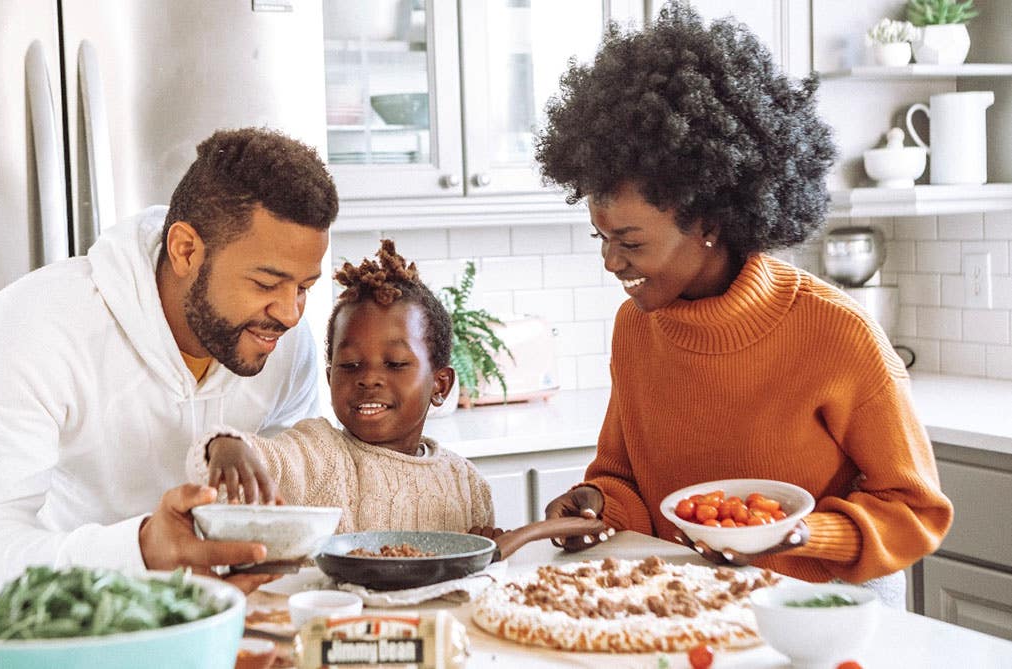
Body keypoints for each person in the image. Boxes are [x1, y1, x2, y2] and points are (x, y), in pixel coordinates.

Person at [538, 3, 952, 608]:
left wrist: (799, 533)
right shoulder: (637, 327)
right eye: (600, 238)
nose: (610, 262)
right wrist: (597, 503)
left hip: (817, 611)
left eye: (629, 242)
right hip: (685, 602)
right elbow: (624, 480)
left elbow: (914, 509)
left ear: (708, 221)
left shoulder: (836, 333)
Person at [0, 127, 339, 610]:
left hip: (159, 593)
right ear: (186, 250)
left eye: (304, 287)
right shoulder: (39, 326)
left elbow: (274, 482)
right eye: (266, 283)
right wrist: (141, 549)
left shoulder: (281, 344)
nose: (291, 313)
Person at [185, 240, 494, 534]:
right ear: (331, 377)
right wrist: (224, 446)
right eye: (350, 365)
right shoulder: (317, 453)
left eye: (396, 364)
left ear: (440, 385)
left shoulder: (467, 484)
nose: (369, 378)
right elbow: (259, 461)